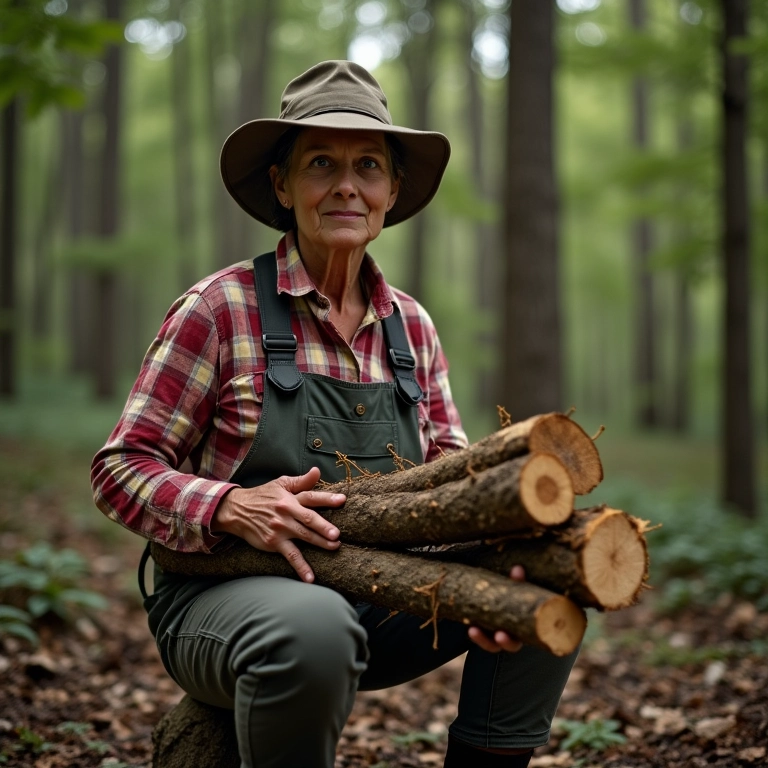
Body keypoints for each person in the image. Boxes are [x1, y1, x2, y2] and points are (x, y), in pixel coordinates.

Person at [91, 60, 577, 768]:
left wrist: (499, 586)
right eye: (321, 162)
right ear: (283, 186)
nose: (347, 184)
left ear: (391, 191)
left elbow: (454, 493)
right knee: (309, 630)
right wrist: (230, 506)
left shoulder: (411, 326)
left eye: (368, 165)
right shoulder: (220, 309)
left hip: (381, 595)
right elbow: (119, 468)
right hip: (214, 606)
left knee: (552, 572)